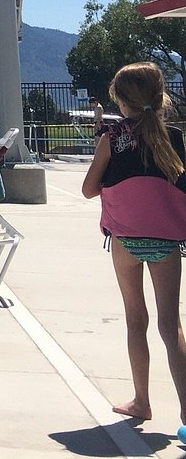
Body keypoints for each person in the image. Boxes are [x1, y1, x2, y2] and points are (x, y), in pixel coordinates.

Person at [83, 62, 186, 424]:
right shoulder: (173, 138)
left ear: (121, 102)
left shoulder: (111, 138)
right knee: (170, 326)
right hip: (167, 239)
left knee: (135, 319)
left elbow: (87, 189)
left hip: (126, 239)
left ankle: (141, 402)